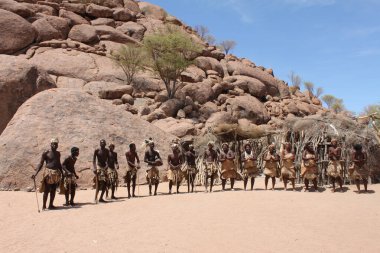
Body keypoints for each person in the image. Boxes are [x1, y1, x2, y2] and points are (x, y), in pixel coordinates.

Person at [31, 138, 63, 210]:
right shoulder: (46, 153)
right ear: (50, 144)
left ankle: (51, 205)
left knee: (54, 189)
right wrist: (35, 173)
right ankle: (44, 206)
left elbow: (59, 163)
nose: (55, 145)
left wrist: (62, 173)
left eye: (56, 144)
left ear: (58, 145)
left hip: (56, 173)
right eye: (53, 144)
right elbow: (41, 163)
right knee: (47, 189)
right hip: (48, 173)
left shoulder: (58, 154)